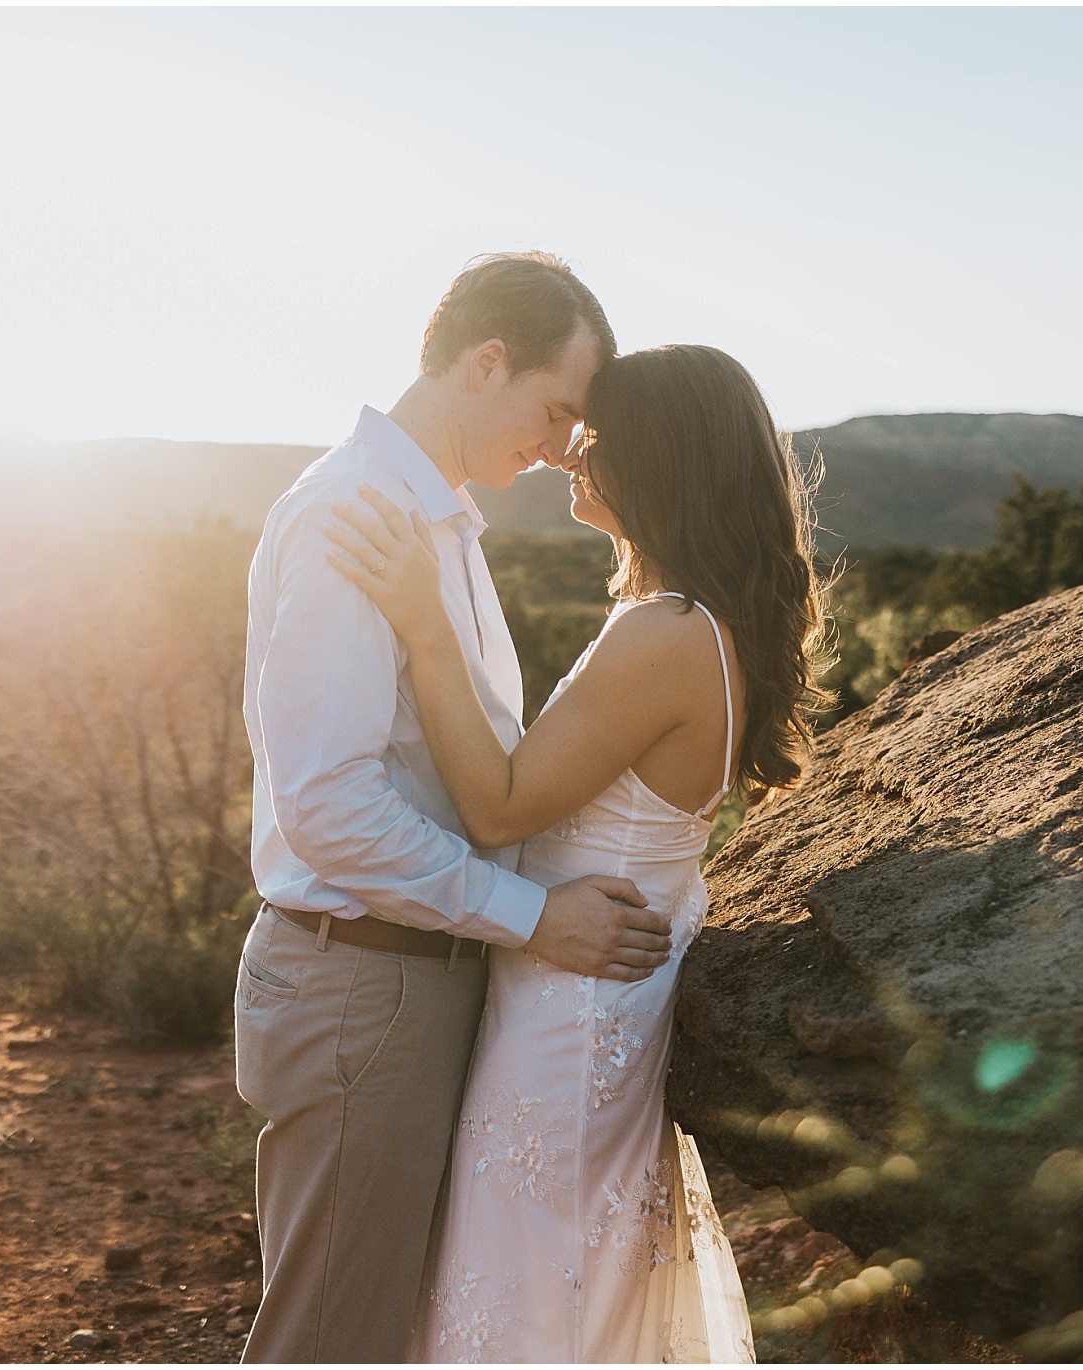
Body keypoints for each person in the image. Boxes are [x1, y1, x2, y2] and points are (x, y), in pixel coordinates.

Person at [326, 343, 831, 1361]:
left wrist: (424, 626)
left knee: (529, 1288)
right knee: (556, 1281)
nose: (570, 455)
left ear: (661, 459)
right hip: (585, 994)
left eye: (596, 438)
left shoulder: (666, 632)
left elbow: (500, 805)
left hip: (570, 1017)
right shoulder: (695, 623)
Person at [234, 252, 678, 1364]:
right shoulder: (357, 512)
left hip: (407, 976)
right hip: (360, 986)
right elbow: (329, 807)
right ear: (488, 362)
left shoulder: (438, 520)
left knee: (382, 1326)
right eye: (556, 409)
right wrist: (535, 916)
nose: (560, 446)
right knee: (331, 1339)